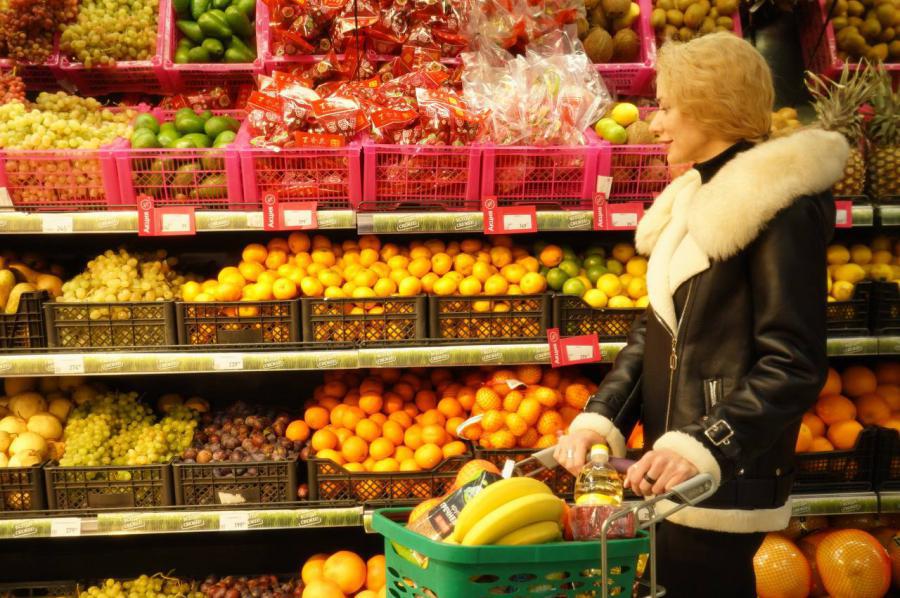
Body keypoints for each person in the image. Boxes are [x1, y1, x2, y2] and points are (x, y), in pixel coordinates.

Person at [555, 32, 849, 596]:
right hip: (671, 471)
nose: (654, 123)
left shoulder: (778, 206)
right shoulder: (694, 197)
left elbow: (794, 363)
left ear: (711, 107)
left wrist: (706, 443)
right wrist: (601, 419)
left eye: (667, 107)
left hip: (722, 473)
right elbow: (655, 332)